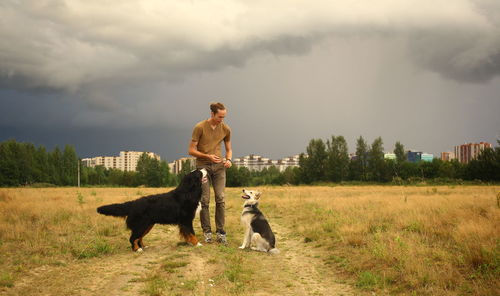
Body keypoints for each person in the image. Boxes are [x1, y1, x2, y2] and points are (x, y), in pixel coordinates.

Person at [188, 102, 232, 244]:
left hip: (219, 167)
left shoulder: (226, 129)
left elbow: (229, 149)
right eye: (220, 117)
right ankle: (207, 232)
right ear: (212, 114)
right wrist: (207, 156)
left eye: (224, 117)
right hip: (203, 168)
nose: (222, 120)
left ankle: (220, 232)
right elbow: (191, 150)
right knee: (205, 200)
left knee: (220, 198)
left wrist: (229, 159)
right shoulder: (199, 127)